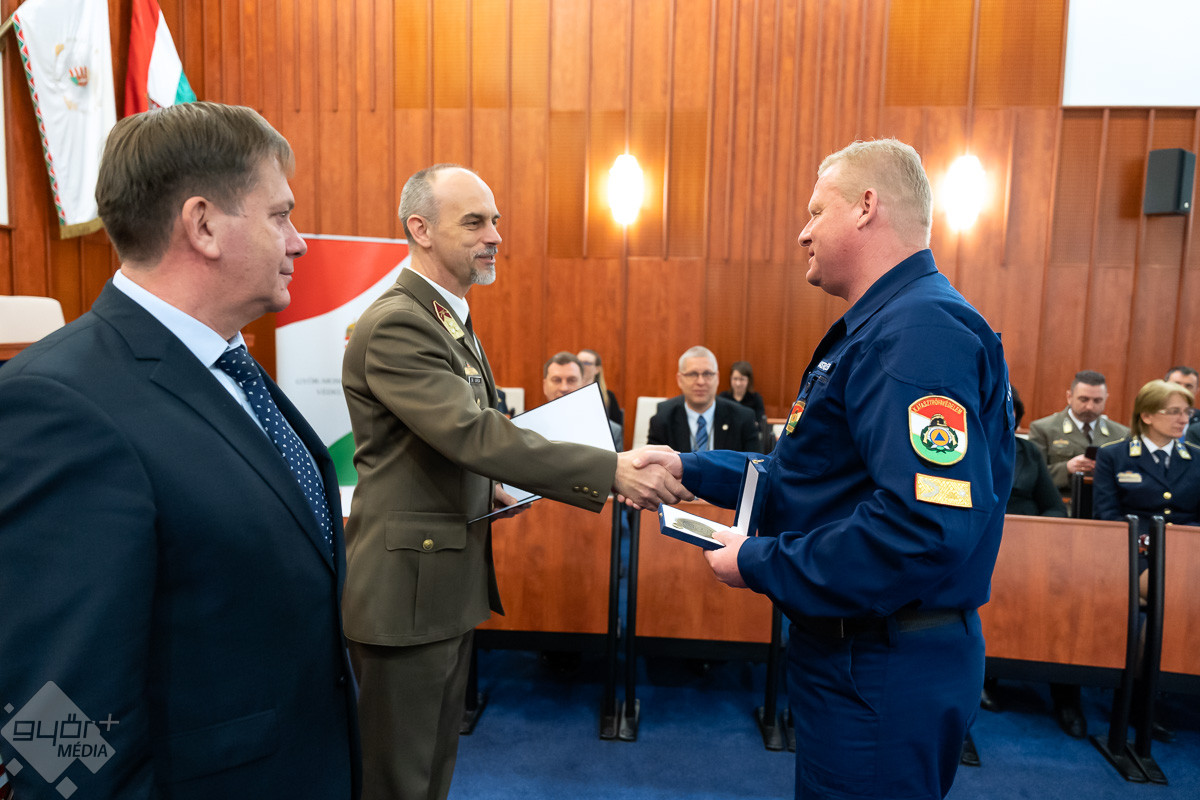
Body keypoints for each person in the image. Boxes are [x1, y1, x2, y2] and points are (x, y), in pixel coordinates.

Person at [0, 103, 360, 799]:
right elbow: (45, 709)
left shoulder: (228, 366)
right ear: (203, 226)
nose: (298, 243)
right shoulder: (57, 402)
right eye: (280, 216)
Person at [637, 139, 1014, 800]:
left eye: (816, 211)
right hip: (859, 649)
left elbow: (921, 525)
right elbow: (809, 475)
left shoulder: (919, 332)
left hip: (883, 659)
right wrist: (690, 468)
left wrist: (761, 561)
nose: (802, 232)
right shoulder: (887, 325)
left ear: (867, 207)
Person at [340, 163, 689, 800]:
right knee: (398, 780)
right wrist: (607, 468)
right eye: (475, 222)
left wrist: (490, 487)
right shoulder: (399, 322)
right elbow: (473, 434)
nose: (496, 235)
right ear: (420, 229)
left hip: (440, 583)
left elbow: (455, 443)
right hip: (405, 592)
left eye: (495, 220)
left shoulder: (447, 319)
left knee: (431, 772)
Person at [1094, 379, 1200, 528]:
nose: (1184, 420)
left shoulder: (1196, 457)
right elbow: (1107, 515)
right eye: (1174, 412)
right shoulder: (1113, 456)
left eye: (1187, 412)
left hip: (1188, 539)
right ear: (1147, 416)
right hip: (1133, 539)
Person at [647, 346, 763, 453]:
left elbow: (755, 465)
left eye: (707, 374)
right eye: (693, 374)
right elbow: (652, 465)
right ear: (680, 380)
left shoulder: (743, 418)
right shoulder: (663, 419)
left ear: (717, 378)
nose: (701, 382)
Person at [1028, 370, 1129, 492]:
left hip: (1105, 499)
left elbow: (1131, 476)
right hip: (1062, 499)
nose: (1090, 407)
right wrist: (1067, 468)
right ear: (1069, 397)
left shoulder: (1121, 434)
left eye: (1097, 401)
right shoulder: (1043, 429)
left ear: (1106, 399)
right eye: (1084, 399)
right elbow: (1030, 475)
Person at [1007, 387, 1067, 517]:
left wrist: (1037, 527)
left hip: (1024, 524)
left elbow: (1055, 508)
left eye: (1009, 409)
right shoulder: (968, 450)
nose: (1004, 415)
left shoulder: (1029, 451)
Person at [577, 348, 624, 427]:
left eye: (586, 363)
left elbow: (617, 429)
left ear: (597, 369)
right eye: (578, 362)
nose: (580, 366)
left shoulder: (608, 397)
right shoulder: (566, 393)